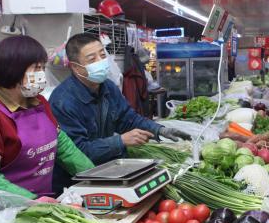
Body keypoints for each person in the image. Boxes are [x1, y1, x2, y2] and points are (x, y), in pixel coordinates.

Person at [0, 36, 94, 223]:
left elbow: (63, 146)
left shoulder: (39, 102)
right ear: (12, 69)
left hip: (32, 213)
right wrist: (31, 202)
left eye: (42, 67)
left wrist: (96, 178)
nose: (42, 74)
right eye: (36, 68)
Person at [49, 33, 190, 193]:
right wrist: (120, 141)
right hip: (74, 184)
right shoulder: (63, 102)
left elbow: (129, 119)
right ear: (75, 67)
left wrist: (159, 130)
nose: (100, 62)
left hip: (105, 172)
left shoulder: (107, 87)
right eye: (92, 59)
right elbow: (78, 151)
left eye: (102, 55)